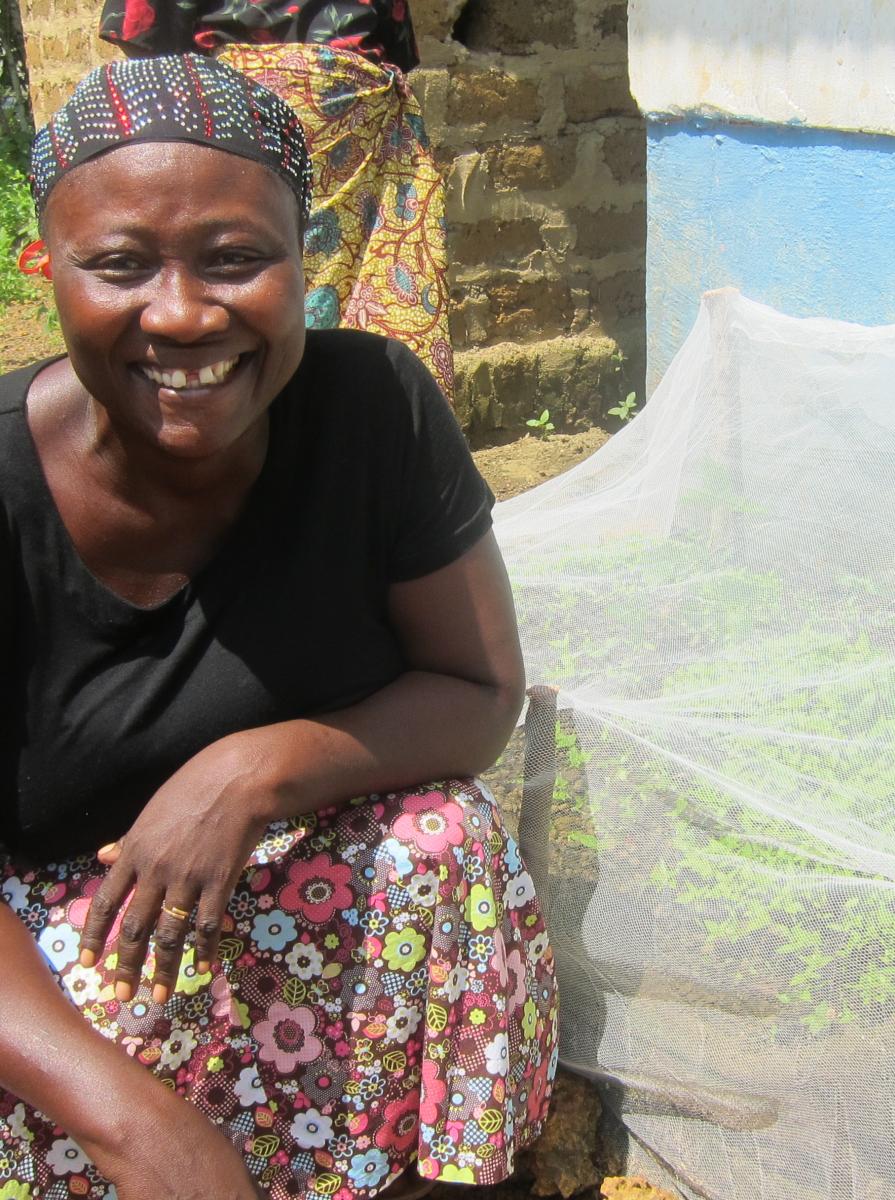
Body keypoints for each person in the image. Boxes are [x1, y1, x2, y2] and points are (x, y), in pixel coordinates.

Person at [0, 54, 556, 1200]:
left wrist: (251, 771)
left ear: (308, 264)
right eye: (118, 267)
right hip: (53, 960)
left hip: (283, 884)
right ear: (42, 269)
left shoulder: (376, 411)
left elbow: (477, 691)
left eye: (236, 259)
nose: (184, 314)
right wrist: (134, 1126)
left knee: (443, 838)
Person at [97, 0, 457, 400]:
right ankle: (360, 425)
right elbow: (396, 42)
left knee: (244, 285)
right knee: (343, 296)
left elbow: (138, 31)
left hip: (237, 109)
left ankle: (276, 426)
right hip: (351, 111)